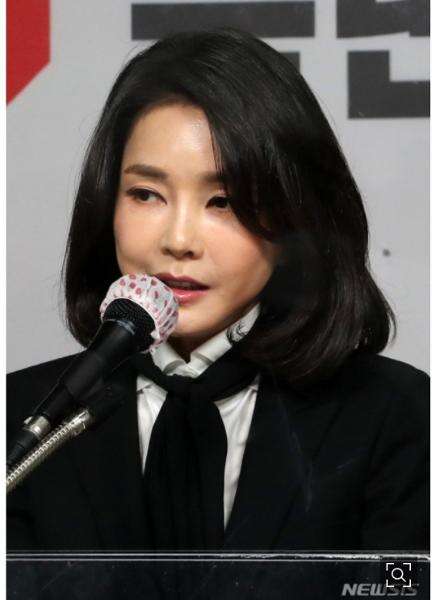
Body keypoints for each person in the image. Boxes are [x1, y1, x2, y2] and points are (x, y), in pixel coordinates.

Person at [7, 27, 428, 555]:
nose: (179, 240)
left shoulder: (396, 415)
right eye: (146, 194)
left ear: (296, 215)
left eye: (223, 202)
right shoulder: (20, 418)